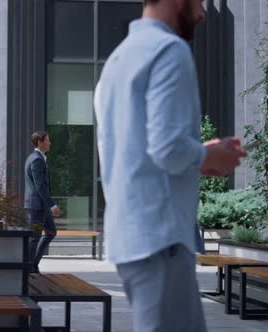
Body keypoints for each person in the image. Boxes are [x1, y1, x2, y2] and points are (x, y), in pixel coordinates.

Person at [94, 0, 247, 331]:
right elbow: (167, 148)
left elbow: (133, 150)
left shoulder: (118, 60)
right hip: (161, 236)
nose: (203, 14)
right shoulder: (168, 50)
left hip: (134, 236)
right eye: (199, 2)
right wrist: (209, 156)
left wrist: (197, 154)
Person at [24, 130, 61, 274]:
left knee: (51, 232)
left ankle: (33, 265)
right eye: (48, 140)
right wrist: (53, 205)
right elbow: (40, 185)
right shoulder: (37, 159)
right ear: (40, 142)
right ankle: (28, 270)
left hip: (40, 206)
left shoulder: (37, 158)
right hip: (37, 206)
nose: (50, 142)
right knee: (35, 237)